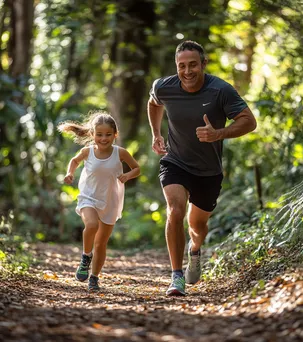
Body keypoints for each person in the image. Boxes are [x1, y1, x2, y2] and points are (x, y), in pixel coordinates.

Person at [147, 40, 257, 296]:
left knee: (197, 227)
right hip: (175, 161)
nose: (187, 71)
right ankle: (176, 277)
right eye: (181, 66)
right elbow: (154, 103)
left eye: (193, 65)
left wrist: (218, 133)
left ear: (203, 64)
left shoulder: (220, 90)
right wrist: (156, 134)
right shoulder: (164, 87)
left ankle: (194, 251)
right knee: (175, 210)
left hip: (208, 171)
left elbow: (249, 122)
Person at [58, 110, 140, 291]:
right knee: (92, 225)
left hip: (111, 200)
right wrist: (69, 173)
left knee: (101, 243)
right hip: (88, 196)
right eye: (100, 135)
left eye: (108, 135)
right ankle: (86, 256)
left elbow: (137, 168)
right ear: (92, 134)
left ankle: (94, 278)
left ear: (115, 134)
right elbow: (74, 161)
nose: (104, 139)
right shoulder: (87, 151)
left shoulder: (121, 153)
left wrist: (127, 175)